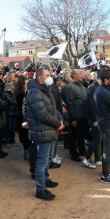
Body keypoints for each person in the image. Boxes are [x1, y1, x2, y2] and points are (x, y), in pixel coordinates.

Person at [26, 67, 64, 201]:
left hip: (50, 129)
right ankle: (40, 189)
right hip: (43, 130)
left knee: (48, 159)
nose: (51, 77)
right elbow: (42, 114)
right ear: (40, 78)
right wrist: (57, 123)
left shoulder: (46, 89)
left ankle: (46, 180)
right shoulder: (35, 92)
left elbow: (54, 108)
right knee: (42, 161)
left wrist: (60, 120)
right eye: (47, 75)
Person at [65, 69, 88, 162]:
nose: (81, 75)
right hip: (76, 116)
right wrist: (73, 119)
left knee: (81, 135)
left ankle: (82, 150)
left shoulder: (81, 85)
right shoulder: (71, 87)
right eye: (79, 73)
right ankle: (73, 153)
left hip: (83, 115)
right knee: (74, 136)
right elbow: (70, 104)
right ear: (74, 76)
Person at [84, 73, 102, 169]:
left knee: (98, 138)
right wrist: (95, 119)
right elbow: (90, 105)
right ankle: (87, 158)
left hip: (98, 118)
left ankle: (97, 159)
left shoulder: (98, 87)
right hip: (94, 118)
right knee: (97, 138)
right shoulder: (92, 87)